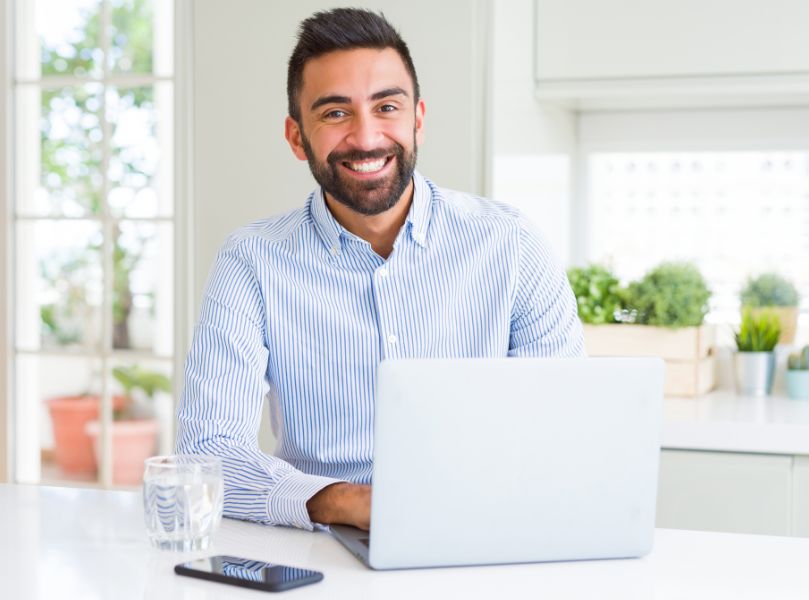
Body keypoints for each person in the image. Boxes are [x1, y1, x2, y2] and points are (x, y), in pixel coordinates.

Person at [176, 7, 583, 533]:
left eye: (386, 106)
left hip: (486, 531)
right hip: (324, 545)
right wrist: (343, 503)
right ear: (297, 136)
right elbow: (209, 454)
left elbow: (566, 426)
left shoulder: (511, 244)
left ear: (418, 118)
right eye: (335, 113)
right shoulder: (250, 262)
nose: (366, 138)